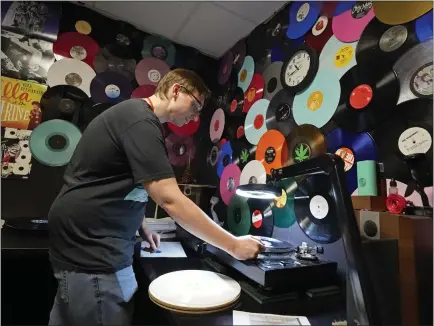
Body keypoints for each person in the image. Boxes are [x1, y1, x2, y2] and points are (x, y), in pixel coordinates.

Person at [47, 68, 265, 326]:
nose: (195, 116)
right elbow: (169, 199)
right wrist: (234, 245)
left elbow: (112, 179)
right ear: (175, 90)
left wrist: (141, 224)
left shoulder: (134, 117)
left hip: (80, 240)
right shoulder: (140, 120)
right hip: (93, 248)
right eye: (195, 106)